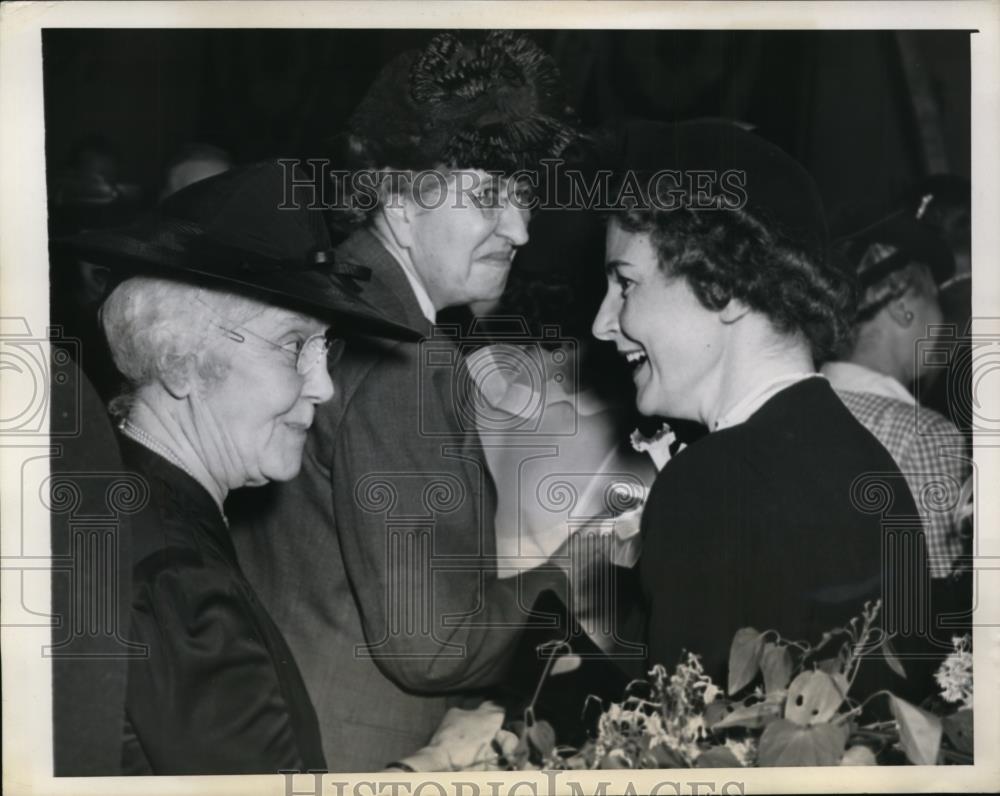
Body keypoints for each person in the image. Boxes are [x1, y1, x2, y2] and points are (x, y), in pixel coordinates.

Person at [229, 31, 580, 771]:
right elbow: (433, 642)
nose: (519, 229)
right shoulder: (402, 355)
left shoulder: (341, 294)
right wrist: (572, 573)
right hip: (358, 750)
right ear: (398, 194)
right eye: (489, 194)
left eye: (523, 198)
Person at [58, 161, 418, 775]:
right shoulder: (179, 578)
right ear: (180, 361)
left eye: (324, 348)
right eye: (293, 345)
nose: (324, 387)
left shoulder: (129, 499)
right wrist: (432, 772)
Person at [591, 120, 930, 697]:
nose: (601, 324)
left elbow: (677, 758)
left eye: (625, 284)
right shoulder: (866, 462)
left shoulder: (714, 480)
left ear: (722, 286)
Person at [821, 210, 970, 579]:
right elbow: (935, 600)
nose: (940, 319)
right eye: (934, 299)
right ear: (904, 307)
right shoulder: (922, 436)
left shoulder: (793, 408)